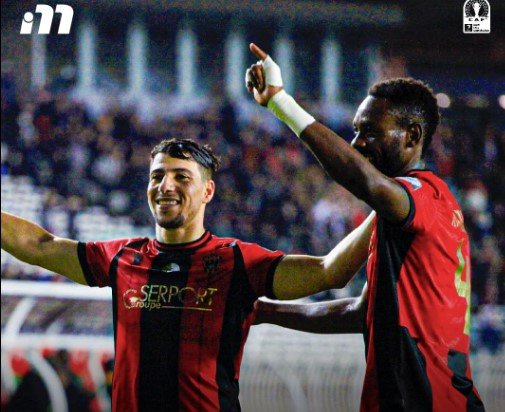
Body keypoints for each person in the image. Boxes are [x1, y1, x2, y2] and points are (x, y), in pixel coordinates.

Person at [1, 138, 374, 412]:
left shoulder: (236, 261)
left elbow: (329, 272)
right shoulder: (122, 257)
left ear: (208, 190)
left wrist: (388, 206)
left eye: (181, 176)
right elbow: (40, 245)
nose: (165, 186)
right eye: (157, 176)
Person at [245, 43, 484, 411]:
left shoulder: (426, 196)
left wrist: (280, 103)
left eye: (371, 131)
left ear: (412, 136)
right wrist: (262, 312)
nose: (358, 143)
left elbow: (365, 182)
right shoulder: (396, 214)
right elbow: (356, 305)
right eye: (357, 131)